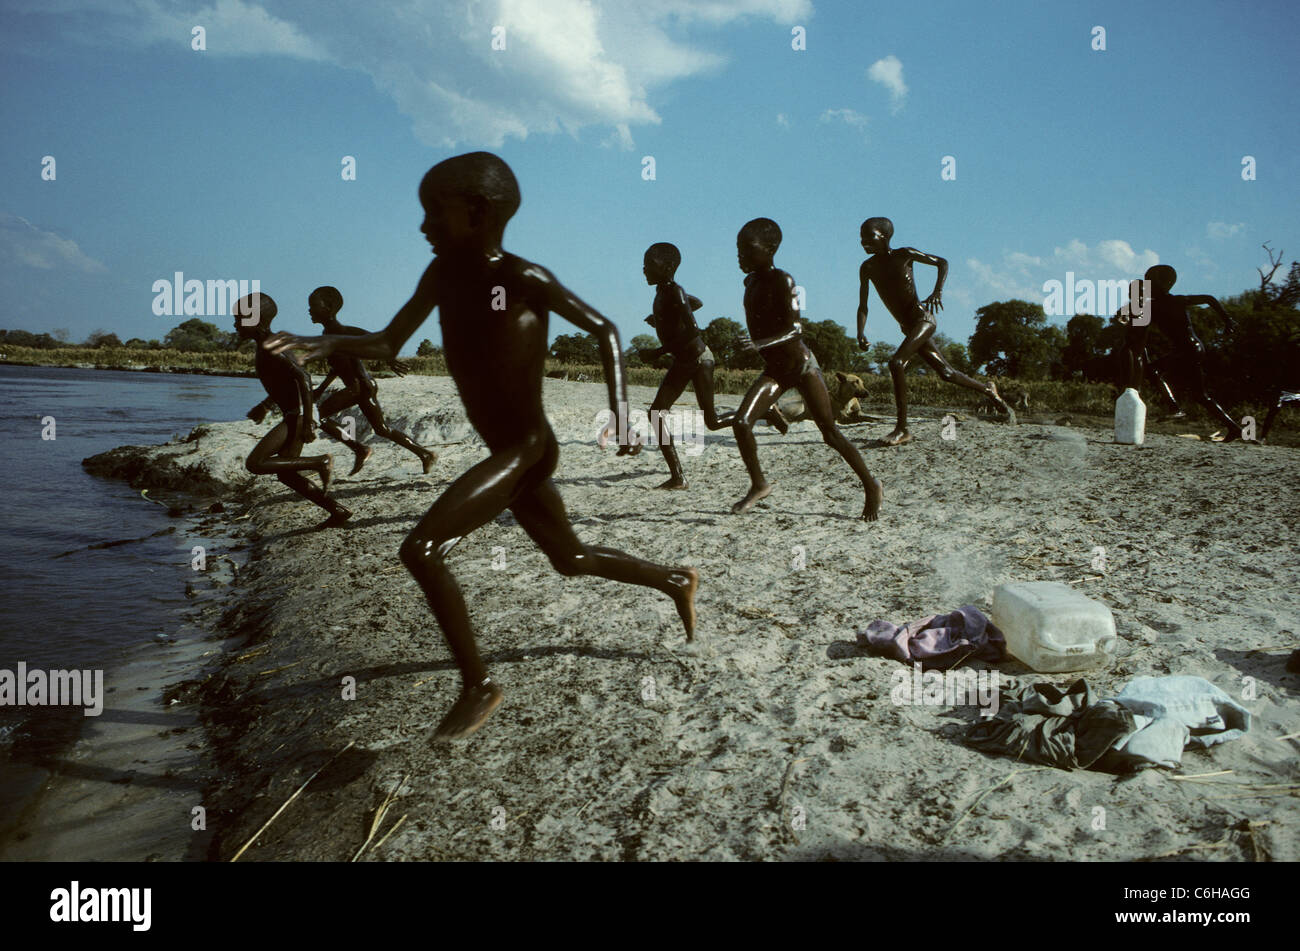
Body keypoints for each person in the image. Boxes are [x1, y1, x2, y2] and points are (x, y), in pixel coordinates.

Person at [265, 152, 698, 740]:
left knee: (420, 549)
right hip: (509, 451)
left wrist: (621, 412)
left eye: (433, 214)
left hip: (524, 449)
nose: (423, 227)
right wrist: (320, 344)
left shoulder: (523, 278)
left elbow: (606, 330)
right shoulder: (442, 276)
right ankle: (674, 580)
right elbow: (390, 342)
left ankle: (479, 685)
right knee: (570, 559)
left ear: (478, 211)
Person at [727, 217, 882, 520]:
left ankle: (871, 484)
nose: (741, 255)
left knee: (830, 433)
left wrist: (759, 342)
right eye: (738, 249)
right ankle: (759, 484)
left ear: (770, 249)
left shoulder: (782, 280)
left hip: (801, 366)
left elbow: (795, 328)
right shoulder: (749, 282)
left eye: (748, 249)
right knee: (741, 423)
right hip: (775, 369)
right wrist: (760, 346)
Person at [638, 242, 787, 489]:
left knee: (657, 412)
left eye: (649, 265)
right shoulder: (664, 292)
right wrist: (663, 318)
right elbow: (694, 304)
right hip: (691, 359)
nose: (644, 269)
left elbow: (693, 329)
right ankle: (764, 411)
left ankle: (678, 477)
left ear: (667, 268)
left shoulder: (675, 291)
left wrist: (657, 351)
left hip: (696, 358)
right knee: (713, 421)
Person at [856, 217, 1014, 445]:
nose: (864, 242)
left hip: (923, 320)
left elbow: (942, 262)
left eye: (869, 236)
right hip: (907, 327)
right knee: (946, 373)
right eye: (861, 238)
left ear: (885, 236)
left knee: (896, 363)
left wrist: (937, 291)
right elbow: (863, 305)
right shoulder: (868, 267)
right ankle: (989, 390)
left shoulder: (905, 254)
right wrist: (861, 332)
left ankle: (902, 430)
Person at [238, 292, 351, 525]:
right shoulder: (265, 345)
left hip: (299, 414)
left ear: (255, 321)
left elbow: (304, 377)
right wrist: (265, 405)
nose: (235, 324)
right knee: (286, 474)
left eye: (239, 319)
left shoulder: (271, 345)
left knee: (255, 463)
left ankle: (319, 462)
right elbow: (283, 383)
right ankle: (337, 511)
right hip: (296, 413)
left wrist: (309, 419)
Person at [303, 285, 436, 475]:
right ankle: (425, 454)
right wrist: (321, 389)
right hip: (363, 387)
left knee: (318, 417)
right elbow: (337, 367)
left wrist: (389, 360)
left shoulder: (342, 331)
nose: (309, 310)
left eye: (313, 306)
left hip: (359, 387)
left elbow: (374, 339)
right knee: (381, 429)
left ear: (329, 308)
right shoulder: (327, 335)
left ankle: (360, 449)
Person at [1119, 264, 1244, 440]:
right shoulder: (1173, 302)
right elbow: (1209, 298)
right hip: (1195, 348)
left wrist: (1127, 316)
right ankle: (1234, 428)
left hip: (1187, 350)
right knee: (1200, 395)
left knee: (1154, 370)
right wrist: (1227, 319)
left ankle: (1174, 408)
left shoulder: (1158, 306)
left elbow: (1136, 328)